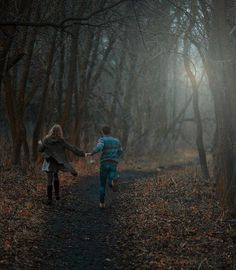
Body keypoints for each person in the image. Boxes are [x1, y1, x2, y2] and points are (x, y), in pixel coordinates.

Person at [38, 124, 85, 205]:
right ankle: (57, 195)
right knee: (56, 176)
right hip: (57, 162)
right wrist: (82, 153)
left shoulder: (46, 139)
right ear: (60, 132)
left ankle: (49, 199)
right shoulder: (61, 141)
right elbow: (71, 148)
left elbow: (41, 150)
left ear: (51, 130)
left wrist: (39, 143)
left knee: (49, 180)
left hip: (49, 162)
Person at [87, 125, 123, 209]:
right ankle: (112, 182)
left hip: (104, 162)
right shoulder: (116, 141)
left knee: (102, 184)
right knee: (112, 176)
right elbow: (120, 151)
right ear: (110, 131)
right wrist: (116, 156)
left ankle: (102, 203)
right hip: (113, 162)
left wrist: (92, 153)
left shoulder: (102, 139)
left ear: (103, 132)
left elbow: (99, 147)